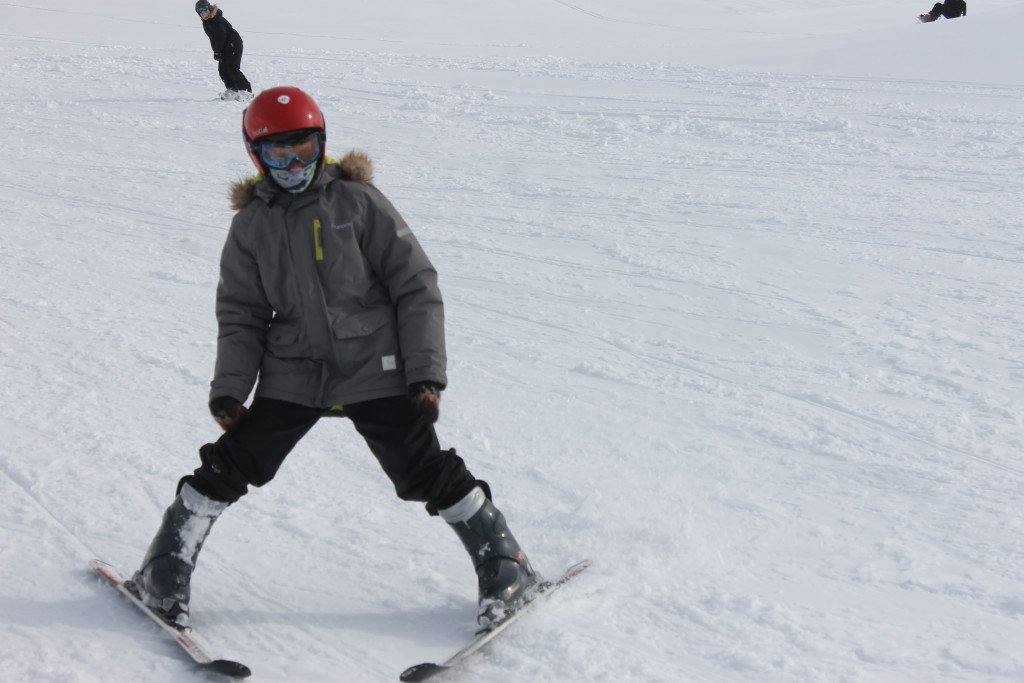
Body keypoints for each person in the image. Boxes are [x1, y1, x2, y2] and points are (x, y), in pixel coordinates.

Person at [128, 85, 538, 631]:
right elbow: (242, 313)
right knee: (234, 463)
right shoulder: (251, 225)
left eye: (304, 150)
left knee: (421, 468)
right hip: (295, 371)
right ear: (256, 156)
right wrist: (230, 388)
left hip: (373, 364)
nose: (294, 166)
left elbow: (416, 285)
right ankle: (163, 565)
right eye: (279, 155)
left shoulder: (358, 202)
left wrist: (425, 374)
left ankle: (505, 561)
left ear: (322, 144)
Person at [195, 1, 252, 100]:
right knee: (222, 70)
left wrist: (217, 51)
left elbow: (220, 37)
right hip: (224, 47)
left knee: (232, 68)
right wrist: (216, 51)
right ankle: (232, 90)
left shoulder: (217, 20)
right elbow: (213, 38)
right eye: (200, 11)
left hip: (233, 45)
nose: (202, 13)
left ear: (209, 9)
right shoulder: (207, 22)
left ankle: (246, 91)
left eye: (204, 9)